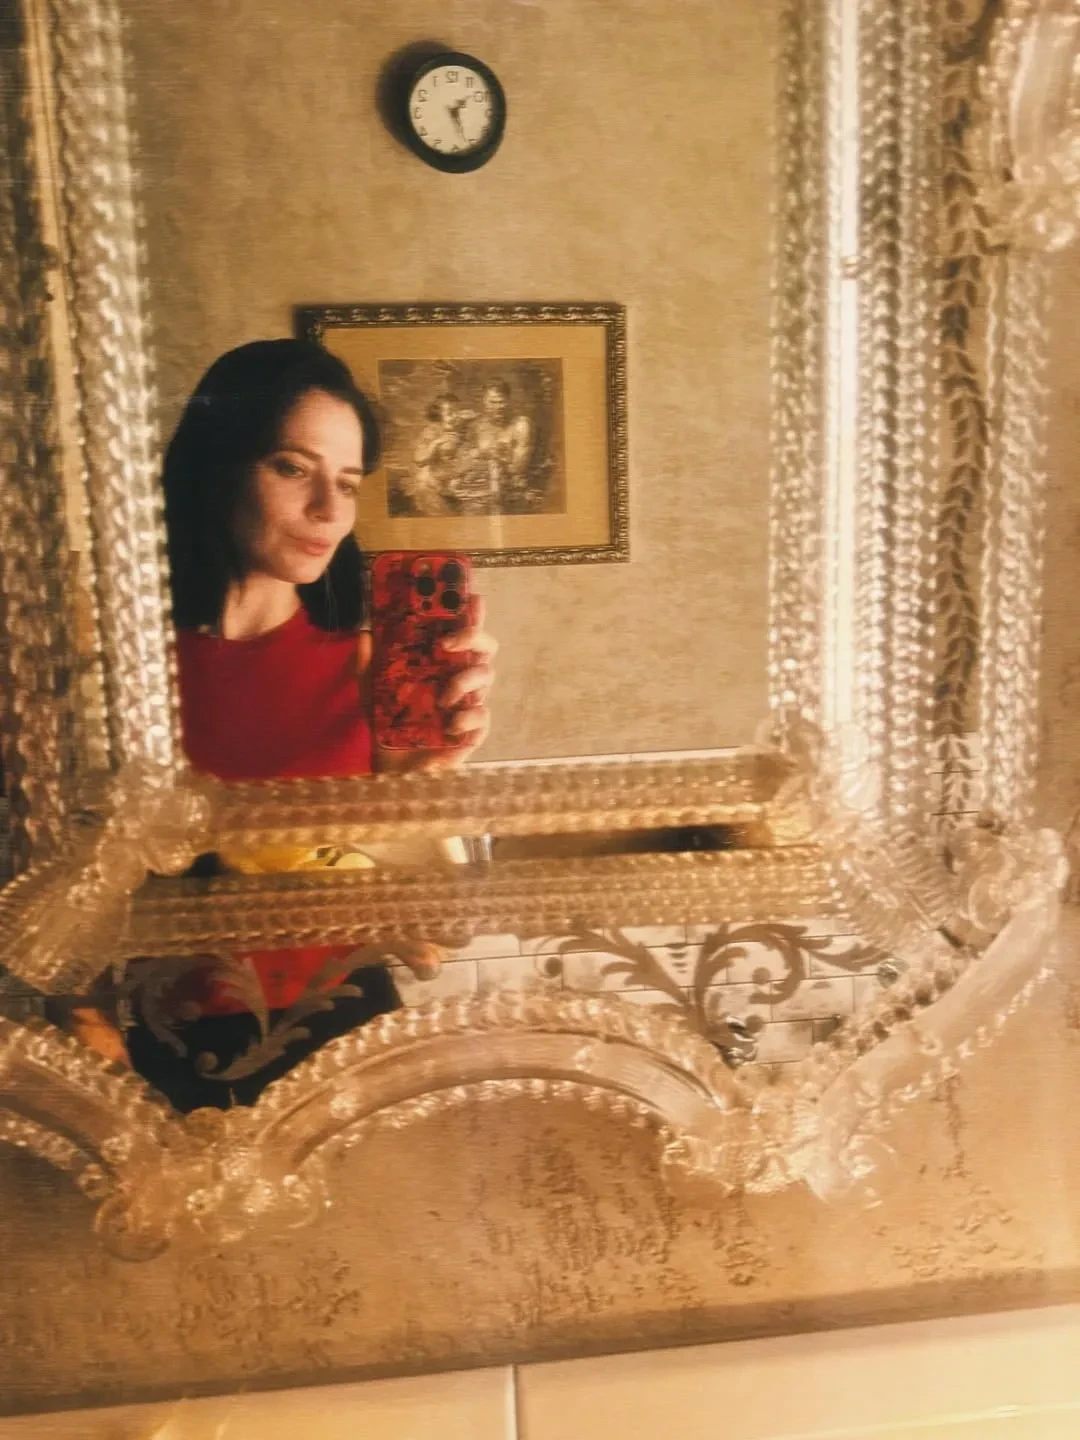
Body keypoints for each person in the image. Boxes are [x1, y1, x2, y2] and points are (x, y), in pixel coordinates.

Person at [75, 339, 496, 1111]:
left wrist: (419, 788)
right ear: (220, 465)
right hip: (159, 1051)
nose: (329, 510)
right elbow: (71, 894)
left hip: (347, 1038)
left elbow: (437, 931)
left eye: (349, 483)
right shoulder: (115, 673)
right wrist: (94, 1042)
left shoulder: (367, 669)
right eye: (293, 468)